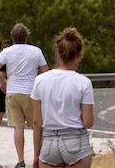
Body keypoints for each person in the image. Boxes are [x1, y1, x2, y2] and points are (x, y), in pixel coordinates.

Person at [30, 27, 94, 168]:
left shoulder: (40, 80)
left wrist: (36, 154)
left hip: (49, 142)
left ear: (57, 53)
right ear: (79, 55)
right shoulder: (84, 82)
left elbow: (36, 121)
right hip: (76, 141)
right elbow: (88, 122)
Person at [0, 23, 48, 168]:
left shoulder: (7, 51)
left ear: (12, 37)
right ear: (27, 36)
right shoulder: (36, 51)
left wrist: (2, 81)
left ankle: (21, 161)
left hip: (12, 92)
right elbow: (45, 71)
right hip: (31, 92)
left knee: (18, 127)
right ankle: (37, 158)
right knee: (37, 127)